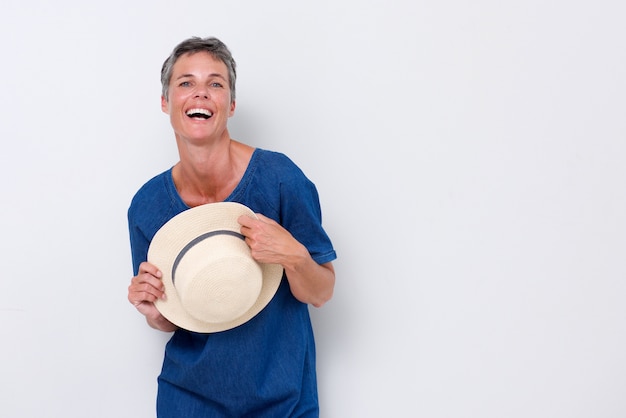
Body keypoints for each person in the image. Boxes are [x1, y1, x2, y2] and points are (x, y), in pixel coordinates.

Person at [126, 36, 337, 417]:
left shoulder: (280, 179)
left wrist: (292, 254)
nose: (200, 93)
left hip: (281, 398)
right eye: (186, 82)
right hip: (188, 398)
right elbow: (169, 319)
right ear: (165, 102)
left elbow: (321, 291)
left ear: (232, 105)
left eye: (216, 84)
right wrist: (151, 309)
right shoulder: (147, 206)